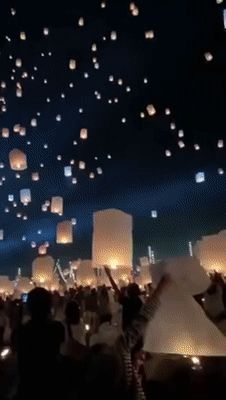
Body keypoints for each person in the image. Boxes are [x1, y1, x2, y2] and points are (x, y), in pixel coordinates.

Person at [79, 271, 170, 400]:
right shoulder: (139, 302)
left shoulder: (90, 389)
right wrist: (160, 289)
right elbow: (144, 317)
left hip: (132, 336)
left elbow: (118, 292)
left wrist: (109, 275)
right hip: (135, 337)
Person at [12, 288, 65, 400]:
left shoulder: (20, 332)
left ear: (28, 307)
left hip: (28, 388)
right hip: (52, 386)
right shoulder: (57, 328)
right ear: (49, 306)